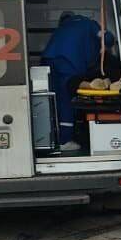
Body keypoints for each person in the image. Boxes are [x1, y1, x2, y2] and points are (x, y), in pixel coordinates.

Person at [41, 11, 102, 149]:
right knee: (66, 100)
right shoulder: (88, 23)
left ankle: (50, 138)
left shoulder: (62, 27)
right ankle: (65, 141)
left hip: (48, 61)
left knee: (50, 99)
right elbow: (107, 38)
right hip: (68, 63)